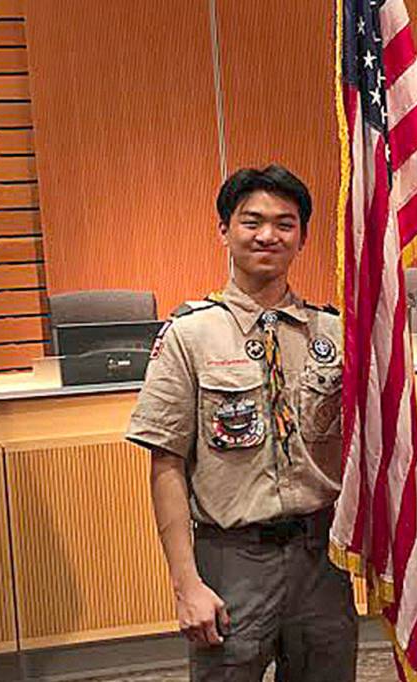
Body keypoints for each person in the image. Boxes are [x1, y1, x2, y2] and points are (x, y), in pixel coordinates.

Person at [125, 165, 356, 681]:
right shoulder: (190, 336)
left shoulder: (335, 334)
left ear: (302, 238)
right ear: (224, 231)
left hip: (322, 561)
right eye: (252, 222)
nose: (268, 235)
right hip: (233, 561)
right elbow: (166, 463)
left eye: (285, 224)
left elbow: (373, 451)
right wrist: (185, 585)